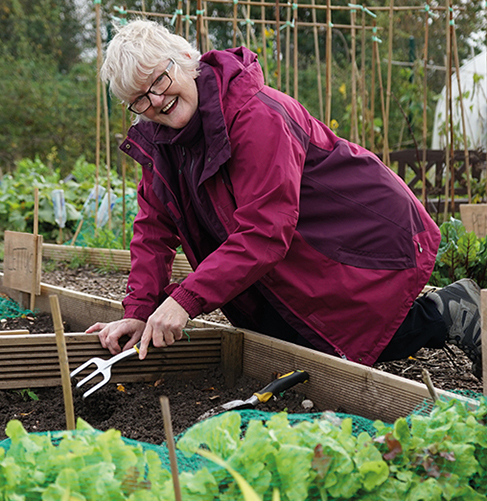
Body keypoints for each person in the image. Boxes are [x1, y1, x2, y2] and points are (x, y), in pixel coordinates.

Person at [87, 19, 483, 379]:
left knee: (335, 345)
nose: (155, 101)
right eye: (139, 99)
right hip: (297, 244)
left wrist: (185, 299)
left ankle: (449, 312)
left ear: (187, 60)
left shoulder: (255, 115)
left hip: (354, 228)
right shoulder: (161, 144)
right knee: (288, 343)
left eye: (159, 80)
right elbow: (153, 231)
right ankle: (446, 312)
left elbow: (264, 230)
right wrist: (138, 312)